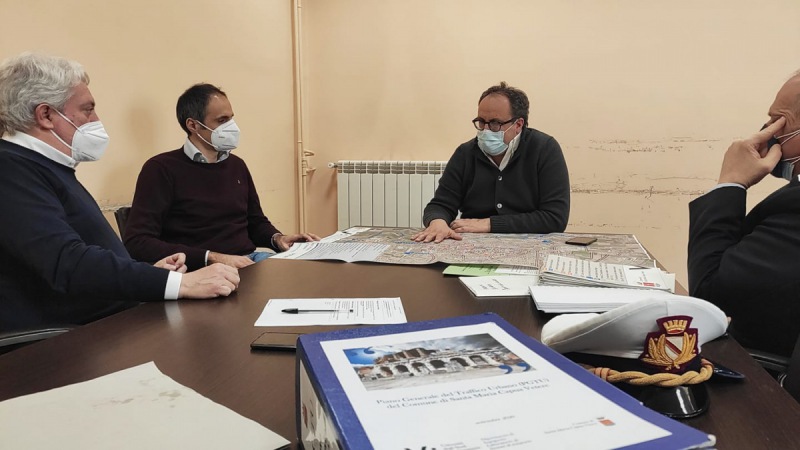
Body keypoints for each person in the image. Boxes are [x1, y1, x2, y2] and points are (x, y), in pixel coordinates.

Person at [0, 53, 240, 330]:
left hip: (114, 315)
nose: (96, 119)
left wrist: (148, 273)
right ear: (45, 115)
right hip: (70, 338)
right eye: (87, 110)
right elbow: (66, 262)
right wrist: (179, 283)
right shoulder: (10, 168)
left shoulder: (44, 168)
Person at [123, 83, 318, 270]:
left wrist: (277, 239)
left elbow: (255, 222)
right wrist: (212, 258)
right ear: (193, 125)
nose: (232, 127)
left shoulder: (237, 165)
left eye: (231, 119)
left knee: (313, 271)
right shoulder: (161, 169)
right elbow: (137, 242)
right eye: (222, 121)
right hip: (202, 270)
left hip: (249, 260)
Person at [688, 71, 800, 357]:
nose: (769, 131)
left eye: (778, 121)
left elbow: (711, 291)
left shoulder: (795, 208)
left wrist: (731, 183)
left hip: (759, 375)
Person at [411, 82, 570, 243]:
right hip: (472, 245)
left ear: (518, 125)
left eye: (495, 123)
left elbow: (555, 218)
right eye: (481, 122)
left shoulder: (544, 149)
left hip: (531, 244)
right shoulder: (465, 153)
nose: (486, 130)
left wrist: (489, 224)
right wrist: (437, 222)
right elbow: (440, 205)